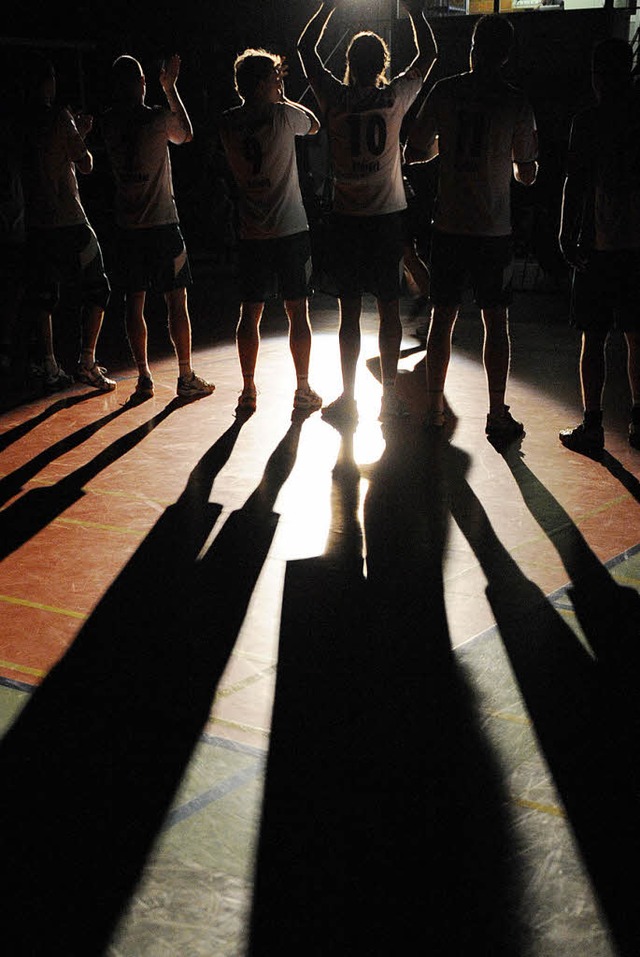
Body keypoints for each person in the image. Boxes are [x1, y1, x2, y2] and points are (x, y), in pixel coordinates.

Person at [298, 0, 437, 423]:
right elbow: (429, 55)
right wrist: (414, 12)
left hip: (347, 219)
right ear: (382, 64)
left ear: (348, 63)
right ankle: (389, 395)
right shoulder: (394, 96)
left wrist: (327, 7)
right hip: (386, 218)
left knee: (350, 313)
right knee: (390, 308)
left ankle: (349, 396)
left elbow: (305, 50)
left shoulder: (336, 98)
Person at [406, 14, 538, 443]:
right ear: (506, 55)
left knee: (441, 320)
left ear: (473, 46)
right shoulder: (514, 100)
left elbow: (416, 150)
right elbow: (527, 172)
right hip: (493, 230)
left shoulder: (446, 91)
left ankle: (434, 410)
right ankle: (497, 412)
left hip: (449, 225)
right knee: (495, 323)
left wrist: (449, 145)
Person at [102, 54, 214, 402]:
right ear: (141, 83)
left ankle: (144, 377)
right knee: (176, 299)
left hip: (127, 227)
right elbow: (187, 133)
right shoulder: (157, 118)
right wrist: (171, 89)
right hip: (162, 224)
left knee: (133, 303)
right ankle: (184, 374)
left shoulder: (107, 123)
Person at [219, 48, 322, 414]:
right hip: (290, 229)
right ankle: (303, 388)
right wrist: (284, 97)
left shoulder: (228, 122)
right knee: (298, 312)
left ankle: (248, 390)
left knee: (250, 312)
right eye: (276, 78)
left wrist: (275, 92)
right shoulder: (282, 115)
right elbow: (314, 123)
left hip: (251, 232)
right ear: (263, 83)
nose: (281, 83)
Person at [558, 37, 640, 455]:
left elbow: (575, 182)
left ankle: (593, 424)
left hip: (595, 239)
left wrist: (564, 231)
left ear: (596, 77)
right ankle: (639, 420)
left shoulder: (587, 121)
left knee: (593, 337)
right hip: (635, 243)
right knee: (635, 335)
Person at [21, 55, 115, 393]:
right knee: (98, 287)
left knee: (44, 294)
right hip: (70, 221)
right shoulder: (61, 117)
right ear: (49, 82)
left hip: (37, 223)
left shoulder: (23, 122)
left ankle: (49, 362)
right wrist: (81, 133)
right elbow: (86, 163)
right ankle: (87, 363)